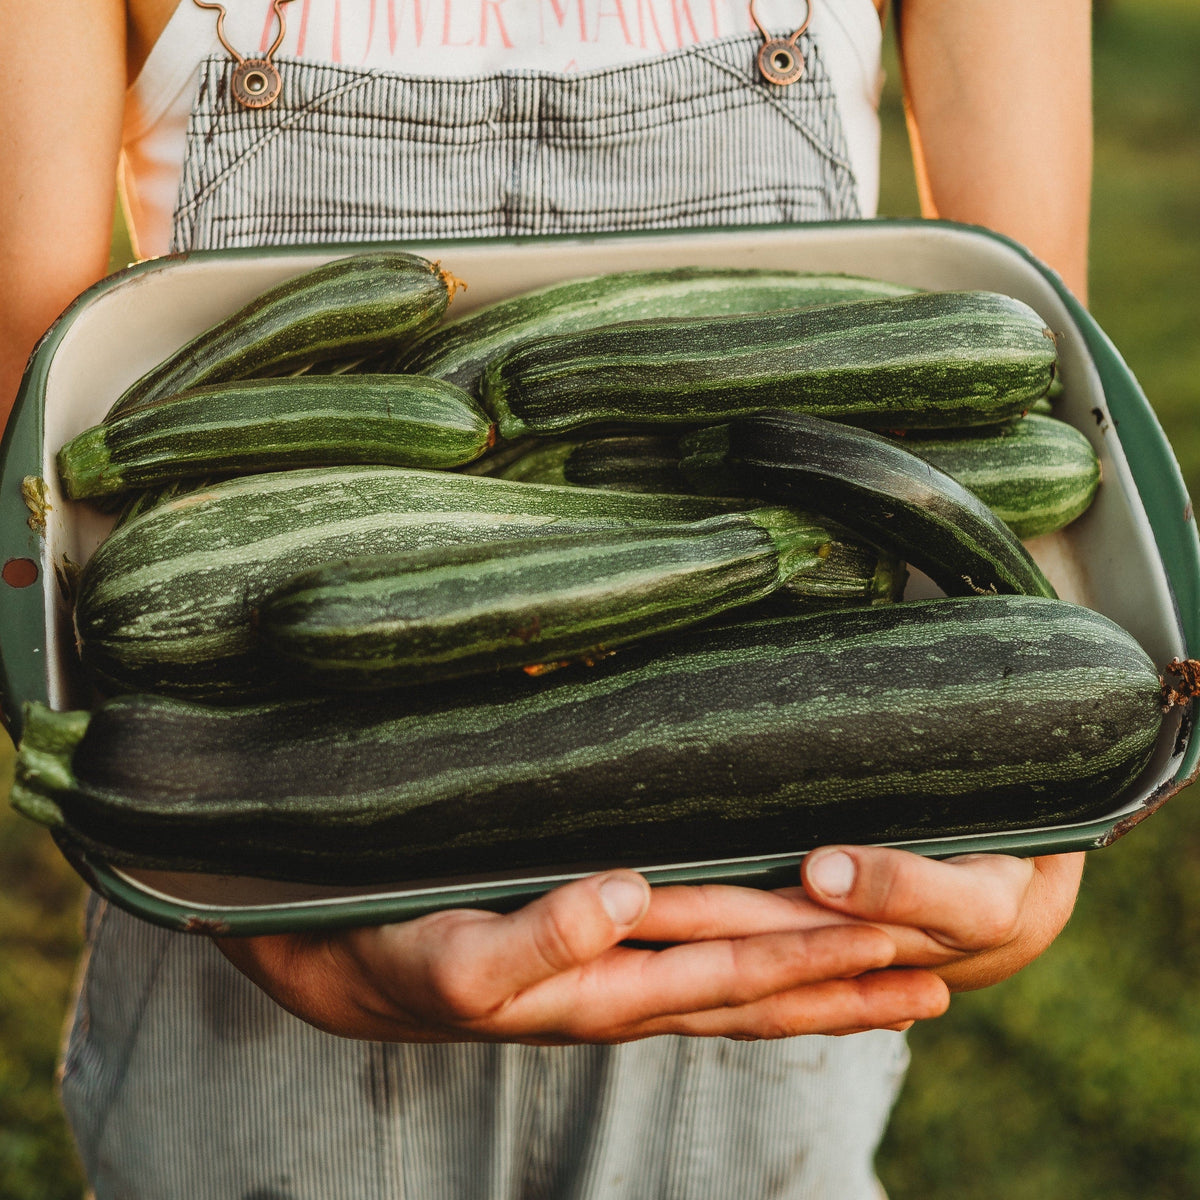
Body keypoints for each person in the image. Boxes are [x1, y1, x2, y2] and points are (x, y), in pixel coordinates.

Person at [0, 1, 1093, 1196]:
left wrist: (1038, 857)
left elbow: (1037, 373)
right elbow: (31, 454)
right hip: (256, 907)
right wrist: (254, 918)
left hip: (765, 911)